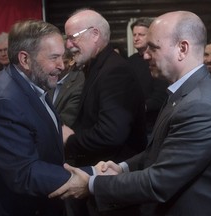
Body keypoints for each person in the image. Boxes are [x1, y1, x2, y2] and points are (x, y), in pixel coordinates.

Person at [49, 11, 211, 216]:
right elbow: (160, 150)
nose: (145, 55)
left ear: (182, 48)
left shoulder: (201, 105)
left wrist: (92, 184)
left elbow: (159, 181)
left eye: (153, 47)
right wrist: (122, 167)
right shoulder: (187, 92)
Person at [0, 19, 92, 216]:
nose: (62, 65)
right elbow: (24, 172)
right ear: (25, 59)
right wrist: (90, 177)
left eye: (62, 57)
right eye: (54, 57)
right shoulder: (3, 101)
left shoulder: (32, 84)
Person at [62, 8, 147, 216]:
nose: (68, 45)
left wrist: (71, 141)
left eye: (72, 38)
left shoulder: (114, 71)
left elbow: (111, 133)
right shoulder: (97, 66)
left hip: (113, 183)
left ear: (95, 34)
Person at [128, 17, 168, 136]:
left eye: (141, 34)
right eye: (134, 34)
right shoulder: (130, 61)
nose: (136, 38)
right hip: (133, 123)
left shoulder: (158, 60)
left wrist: (139, 108)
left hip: (153, 124)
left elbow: (161, 95)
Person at [47, 49, 85, 128]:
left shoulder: (79, 83)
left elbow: (66, 122)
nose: (52, 66)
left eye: (58, 61)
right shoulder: (50, 78)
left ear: (71, 60)